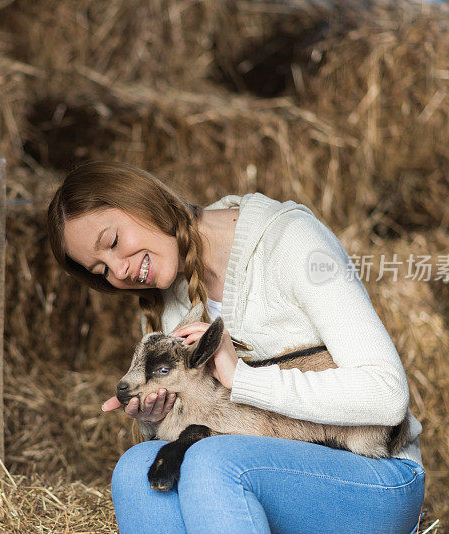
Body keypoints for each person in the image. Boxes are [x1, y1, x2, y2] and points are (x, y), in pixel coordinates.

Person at [47, 161, 425, 534]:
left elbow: (387, 394)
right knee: (134, 471)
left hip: (373, 471)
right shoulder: (168, 289)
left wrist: (239, 377)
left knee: (211, 463)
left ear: (143, 201)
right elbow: (213, 419)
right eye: (102, 271)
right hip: (259, 466)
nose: (119, 271)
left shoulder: (291, 241)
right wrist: (156, 415)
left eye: (112, 242)